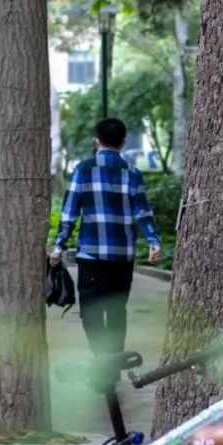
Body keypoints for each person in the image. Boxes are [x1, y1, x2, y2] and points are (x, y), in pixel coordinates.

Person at [49, 116, 161, 357]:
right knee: (117, 311)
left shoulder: (83, 169)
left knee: (91, 311)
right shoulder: (133, 172)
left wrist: (58, 246)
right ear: (123, 142)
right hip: (122, 257)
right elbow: (143, 211)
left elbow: (69, 213)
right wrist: (154, 241)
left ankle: (102, 361)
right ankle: (114, 362)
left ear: (96, 141)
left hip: (91, 255)